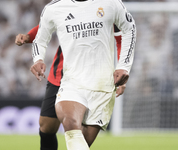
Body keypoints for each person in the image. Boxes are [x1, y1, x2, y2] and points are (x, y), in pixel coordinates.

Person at [29, 0, 136, 149]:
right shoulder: (54, 8)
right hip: (72, 81)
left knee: (82, 143)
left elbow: (129, 28)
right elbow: (40, 39)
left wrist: (124, 66)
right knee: (70, 122)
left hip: (102, 85)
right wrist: (38, 59)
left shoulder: (111, 3)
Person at [15, 22, 125, 150]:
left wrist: (122, 71)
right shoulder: (66, 6)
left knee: (82, 137)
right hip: (60, 75)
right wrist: (28, 37)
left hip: (94, 79)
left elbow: (120, 39)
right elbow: (47, 25)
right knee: (46, 127)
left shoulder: (108, 8)